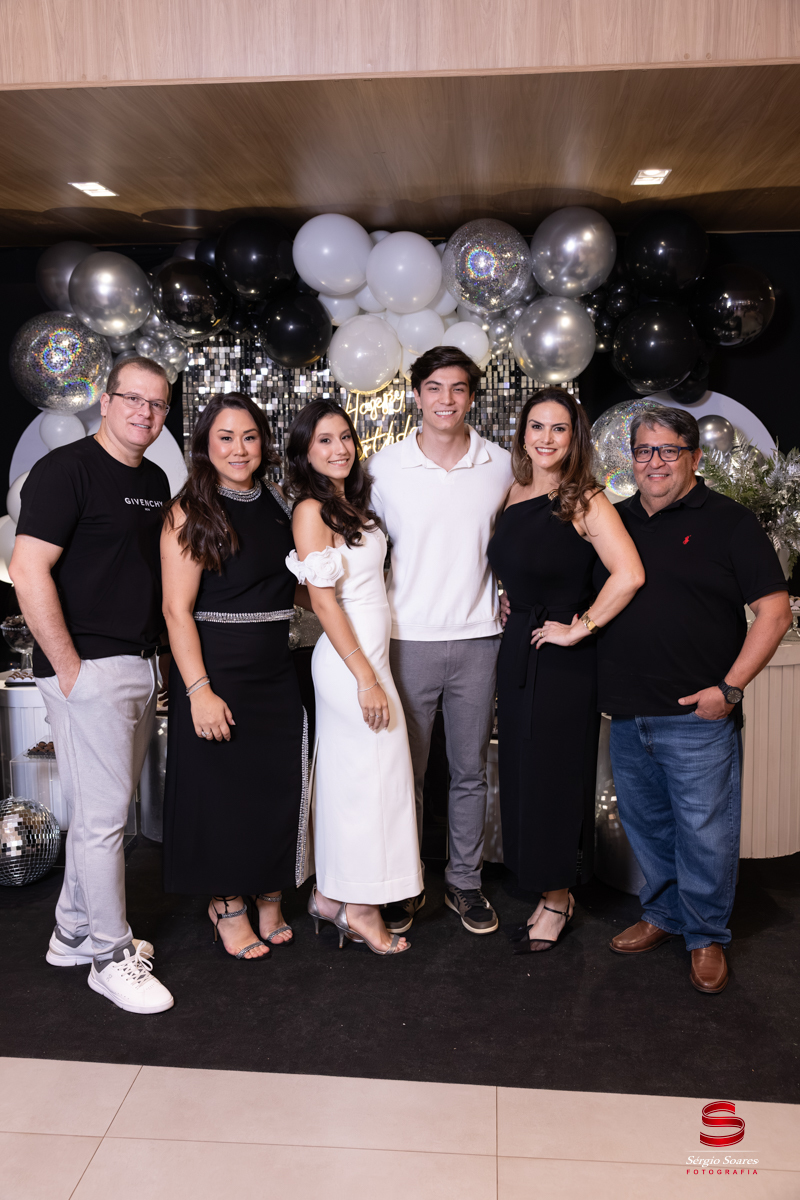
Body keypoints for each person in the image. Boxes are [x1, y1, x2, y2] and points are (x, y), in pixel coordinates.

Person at [598, 405, 791, 993]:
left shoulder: (730, 522)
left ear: (695, 456)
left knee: (706, 836)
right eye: (644, 451)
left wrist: (729, 689)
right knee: (649, 827)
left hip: (698, 716)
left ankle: (706, 935)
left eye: (669, 450)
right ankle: (663, 914)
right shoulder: (613, 521)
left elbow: (774, 613)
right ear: (632, 458)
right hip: (628, 712)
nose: (655, 462)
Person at [10, 357, 174, 1014]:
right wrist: (69, 669)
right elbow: (27, 570)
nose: (144, 412)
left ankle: (73, 931)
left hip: (137, 665)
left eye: (156, 404)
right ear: (105, 402)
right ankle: (110, 955)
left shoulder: (154, 479)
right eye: (132, 399)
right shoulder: (65, 470)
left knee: (104, 814)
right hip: (87, 670)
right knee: (106, 822)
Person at [489, 388, 644, 952]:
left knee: (553, 778)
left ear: (574, 437)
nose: (546, 438)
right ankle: (544, 885)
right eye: (537, 426)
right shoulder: (514, 491)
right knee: (523, 773)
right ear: (523, 433)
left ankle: (558, 898)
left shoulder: (585, 499)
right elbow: (516, 562)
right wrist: (507, 597)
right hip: (519, 645)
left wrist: (581, 627)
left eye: (559, 428)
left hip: (562, 661)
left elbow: (629, 574)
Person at [367, 345, 513, 936]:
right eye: (434, 388)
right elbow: (360, 551)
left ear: (471, 397)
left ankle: (464, 883)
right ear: (417, 395)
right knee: (407, 772)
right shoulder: (383, 468)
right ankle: (404, 884)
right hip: (406, 640)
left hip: (480, 639)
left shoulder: (503, 465)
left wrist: (513, 592)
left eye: (457, 388)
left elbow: (521, 538)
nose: (445, 399)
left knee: (470, 771)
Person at [161, 393, 307, 961]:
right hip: (217, 667)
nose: (239, 449)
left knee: (274, 787)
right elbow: (176, 610)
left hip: (275, 666)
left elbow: (291, 586)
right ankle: (226, 904)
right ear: (205, 444)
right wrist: (198, 691)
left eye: (249, 436)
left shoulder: (278, 501)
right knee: (221, 792)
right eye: (225, 437)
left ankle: (269, 892)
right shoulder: (188, 511)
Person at [286, 400, 422, 956]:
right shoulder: (310, 510)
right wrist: (365, 677)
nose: (339, 448)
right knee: (368, 781)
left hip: (369, 657)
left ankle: (330, 897)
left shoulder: (349, 506)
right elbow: (322, 601)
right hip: (350, 664)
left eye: (345, 436)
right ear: (305, 452)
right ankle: (360, 909)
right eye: (324, 440)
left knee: (363, 781)